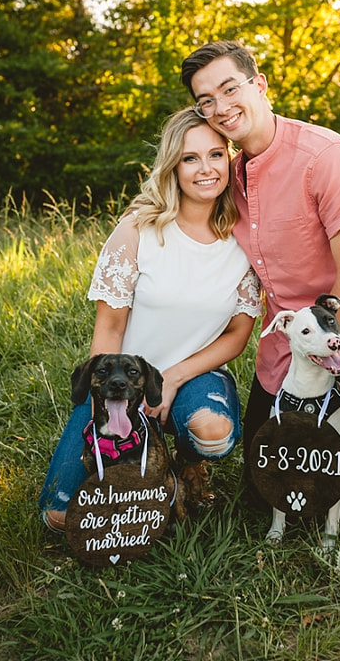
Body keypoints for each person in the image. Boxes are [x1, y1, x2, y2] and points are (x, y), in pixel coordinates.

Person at [179, 40, 340, 594]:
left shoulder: (327, 156)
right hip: (282, 340)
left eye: (229, 88)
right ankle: (337, 426)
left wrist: (321, 368)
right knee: (262, 485)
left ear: (260, 85)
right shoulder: (228, 175)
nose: (219, 106)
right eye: (205, 100)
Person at [39, 109, 262, 530]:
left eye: (216, 155)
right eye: (190, 158)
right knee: (58, 518)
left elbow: (237, 335)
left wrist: (174, 377)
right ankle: (137, 465)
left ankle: (189, 463)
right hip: (123, 379)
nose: (205, 169)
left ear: (229, 161)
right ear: (172, 166)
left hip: (195, 375)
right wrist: (104, 396)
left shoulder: (244, 239)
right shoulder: (137, 230)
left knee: (212, 431)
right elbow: (110, 327)